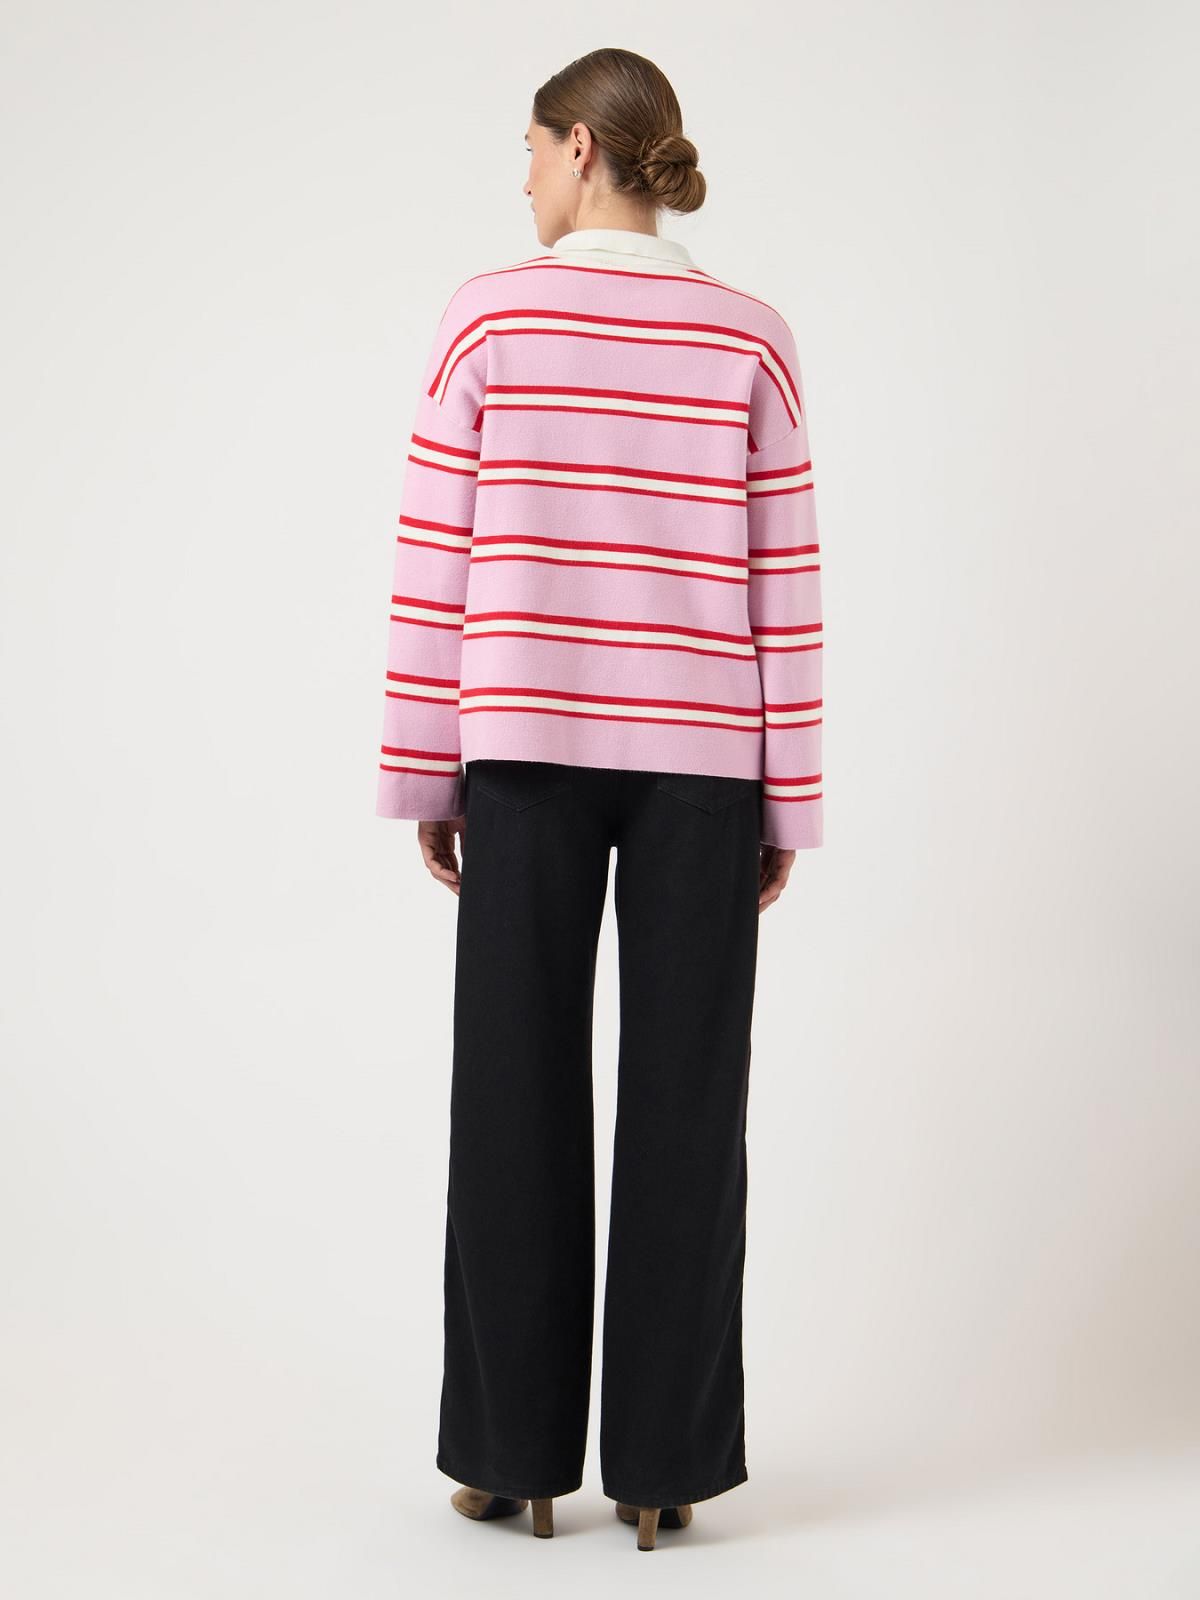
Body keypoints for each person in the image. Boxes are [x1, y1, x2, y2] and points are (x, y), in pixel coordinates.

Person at [374, 47, 824, 1551]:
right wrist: (784, 803)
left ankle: (510, 1457)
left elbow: (434, 560)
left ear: (579, 147)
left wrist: (424, 769)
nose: (520, 182)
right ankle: (665, 1467)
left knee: (509, 1089)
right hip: (705, 762)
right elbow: (786, 584)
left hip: (519, 748)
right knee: (692, 1103)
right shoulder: (752, 337)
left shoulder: (490, 315)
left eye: (527, 150)